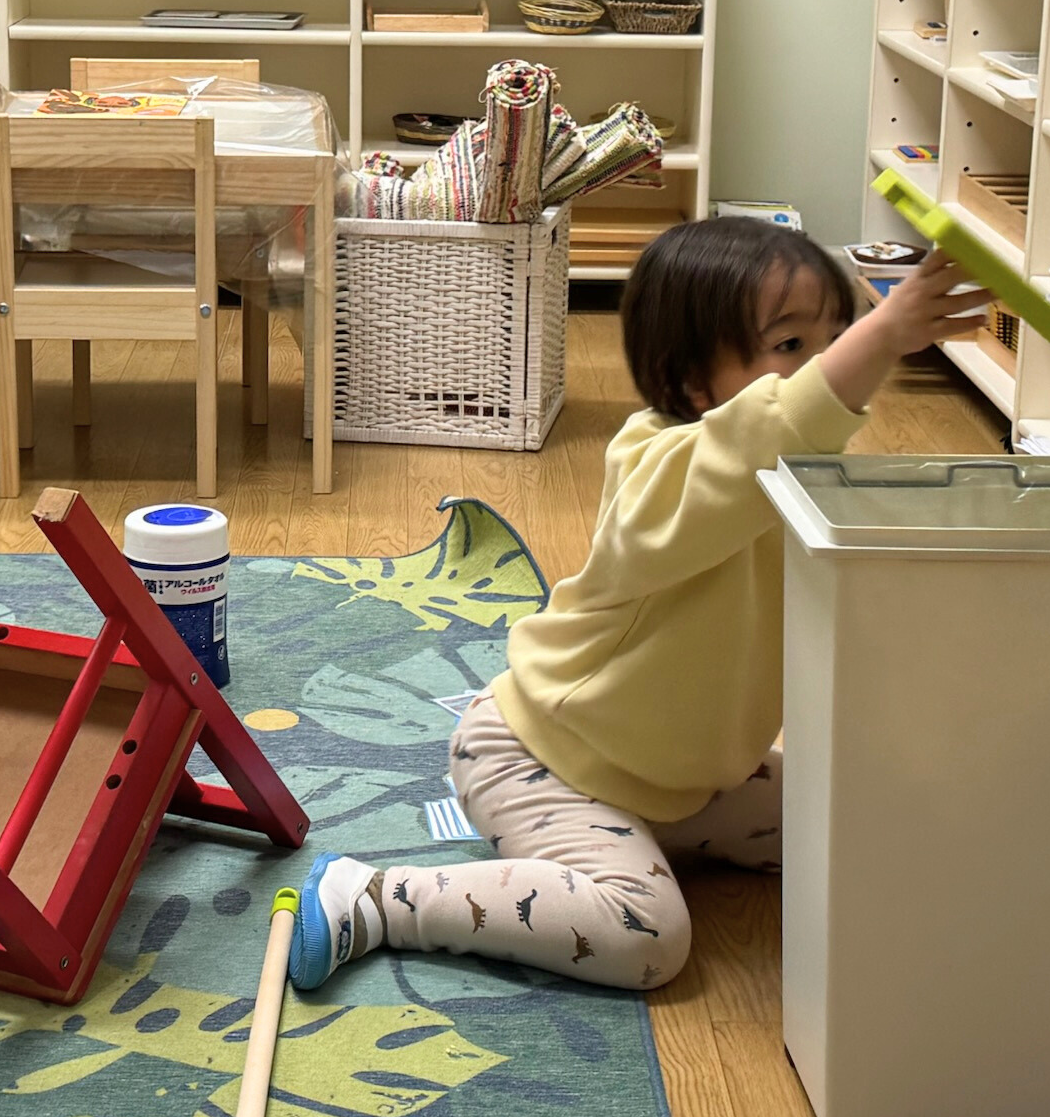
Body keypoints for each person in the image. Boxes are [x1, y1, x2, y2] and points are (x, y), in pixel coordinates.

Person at [288, 219, 975, 991]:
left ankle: (650, 842)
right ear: (692, 385)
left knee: (880, 820)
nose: (822, 370)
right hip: (545, 761)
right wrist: (882, 335)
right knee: (643, 934)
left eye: (834, 338)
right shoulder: (661, 464)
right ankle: (382, 898)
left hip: (686, 783)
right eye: (789, 348)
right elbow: (751, 445)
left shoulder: (804, 477)